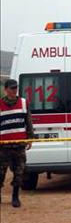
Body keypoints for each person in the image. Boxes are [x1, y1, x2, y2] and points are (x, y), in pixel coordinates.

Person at [0, 79, 33, 207]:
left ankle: (15, 197)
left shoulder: (24, 102)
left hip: (19, 144)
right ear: (6, 89)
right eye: (12, 88)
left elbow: (28, 121)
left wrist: (30, 138)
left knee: (19, 172)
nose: (15, 90)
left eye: (16, 88)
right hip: (3, 145)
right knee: (0, 173)